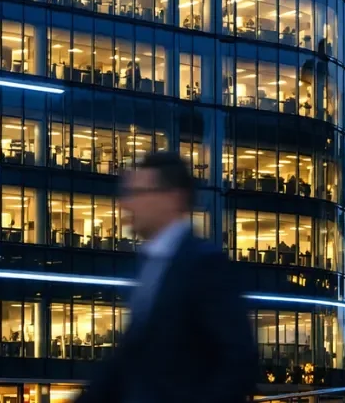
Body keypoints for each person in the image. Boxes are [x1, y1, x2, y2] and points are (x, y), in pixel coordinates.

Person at [77, 152, 257, 403]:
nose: (126, 205)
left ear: (172, 197)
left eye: (138, 194)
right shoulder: (148, 265)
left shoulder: (205, 265)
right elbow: (124, 364)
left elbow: (237, 360)